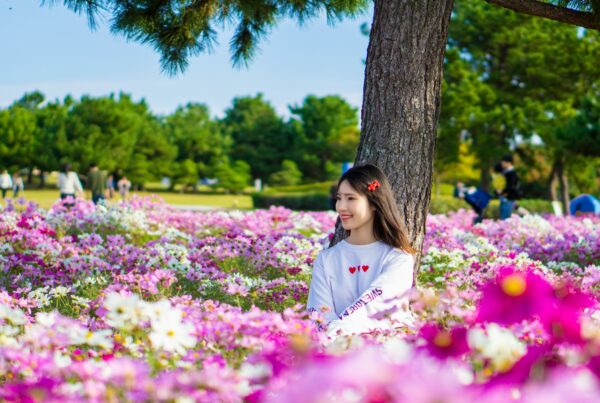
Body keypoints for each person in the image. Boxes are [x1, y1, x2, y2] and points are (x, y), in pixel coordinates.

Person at [307, 164, 416, 337]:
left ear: (374, 203)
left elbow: (379, 303)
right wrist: (334, 339)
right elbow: (318, 311)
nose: (341, 206)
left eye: (350, 198)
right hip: (335, 352)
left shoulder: (398, 258)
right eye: (339, 198)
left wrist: (337, 332)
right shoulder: (326, 259)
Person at [496, 155, 521, 220]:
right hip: (506, 198)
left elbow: (511, 186)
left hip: (508, 198)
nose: (502, 163)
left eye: (503, 162)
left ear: (509, 163)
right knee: (504, 217)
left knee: (505, 219)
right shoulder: (505, 172)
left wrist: (503, 192)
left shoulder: (512, 173)